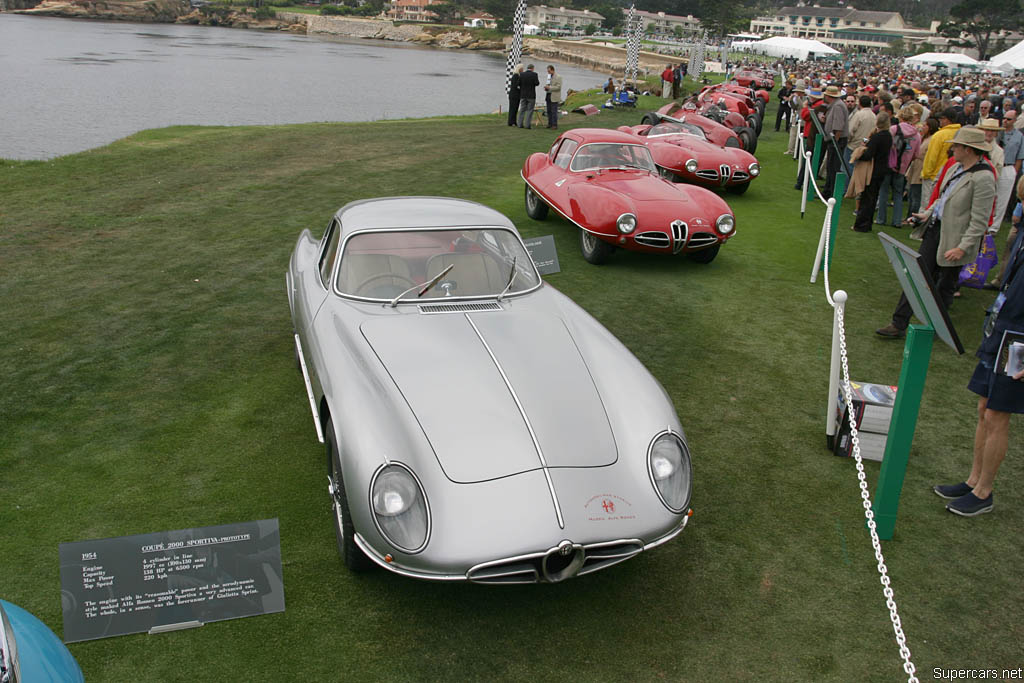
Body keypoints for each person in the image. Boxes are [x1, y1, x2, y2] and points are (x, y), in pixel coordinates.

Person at [933, 177, 1024, 516]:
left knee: (998, 414)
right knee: (984, 407)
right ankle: (973, 480)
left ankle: (984, 491)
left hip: (1019, 338)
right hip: (1002, 327)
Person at [876, 127, 997, 337]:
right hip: (936, 230)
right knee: (917, 275)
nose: (953, 149)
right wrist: (927, 214)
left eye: (957, 146)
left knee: (945, 285)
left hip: (957, 239)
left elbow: (979, 220)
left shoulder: (984, 178)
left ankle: (937, 328)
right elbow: (943, 197)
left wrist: (963, 247)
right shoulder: (955, 168)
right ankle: (899, 323)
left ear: (969, 149)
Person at [876, 106, 921, 228]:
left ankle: (881, 218)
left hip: (889, 165)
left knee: (884, 192)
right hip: (902, 168)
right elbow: (917, 154)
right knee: (898, 194)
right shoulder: (917, 135)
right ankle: (896, 221)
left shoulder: (894, 129)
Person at [849, 112, 892, 232]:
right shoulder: (887, 136)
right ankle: (866, 224)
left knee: (867, 198)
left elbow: (868, 154)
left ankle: (861, 225)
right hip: (881, 170)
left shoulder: (878, 137)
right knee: (872, 199)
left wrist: (860, 152)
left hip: (873, 171)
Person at [921, 108, 962, 202]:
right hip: (953, 175)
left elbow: (931, 157)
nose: (940, 120)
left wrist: (926, 174)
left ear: (947, 120)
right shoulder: (960, 133)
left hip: (934, 175)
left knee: (927, 204)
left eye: (942, 118)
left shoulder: (939, 135)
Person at [822, 84, 850, 199]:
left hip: (836, 141)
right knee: (830, 166)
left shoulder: (838, 106)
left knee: (833, 167)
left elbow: (838, 127)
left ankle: (831, 192)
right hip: (835, 139)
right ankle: (828, 190)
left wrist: (835, 142)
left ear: (829, 96)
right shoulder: (836, 105)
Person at [516, 64, 539, 129]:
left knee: (522, 109)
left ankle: (519, 124)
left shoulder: (522, 74)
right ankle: (527, 125)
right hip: (531, 95)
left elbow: (518, 83)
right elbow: (537, 83)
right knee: (530, 110)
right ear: (532, 68)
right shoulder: (534, 74)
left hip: (523, 95)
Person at [544, 65, 563, 130]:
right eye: (547, 71)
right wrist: (546, 88)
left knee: (554, 111)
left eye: (549, 71)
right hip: (548, 95)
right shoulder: (549, 77)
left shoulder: (558, 77)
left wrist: (550, 87)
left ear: (552, 70)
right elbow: (548, 85)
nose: (548, 72)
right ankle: (550, 123)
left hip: (554, 96)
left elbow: (558, 87)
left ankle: (555, 125)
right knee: (548, 111)